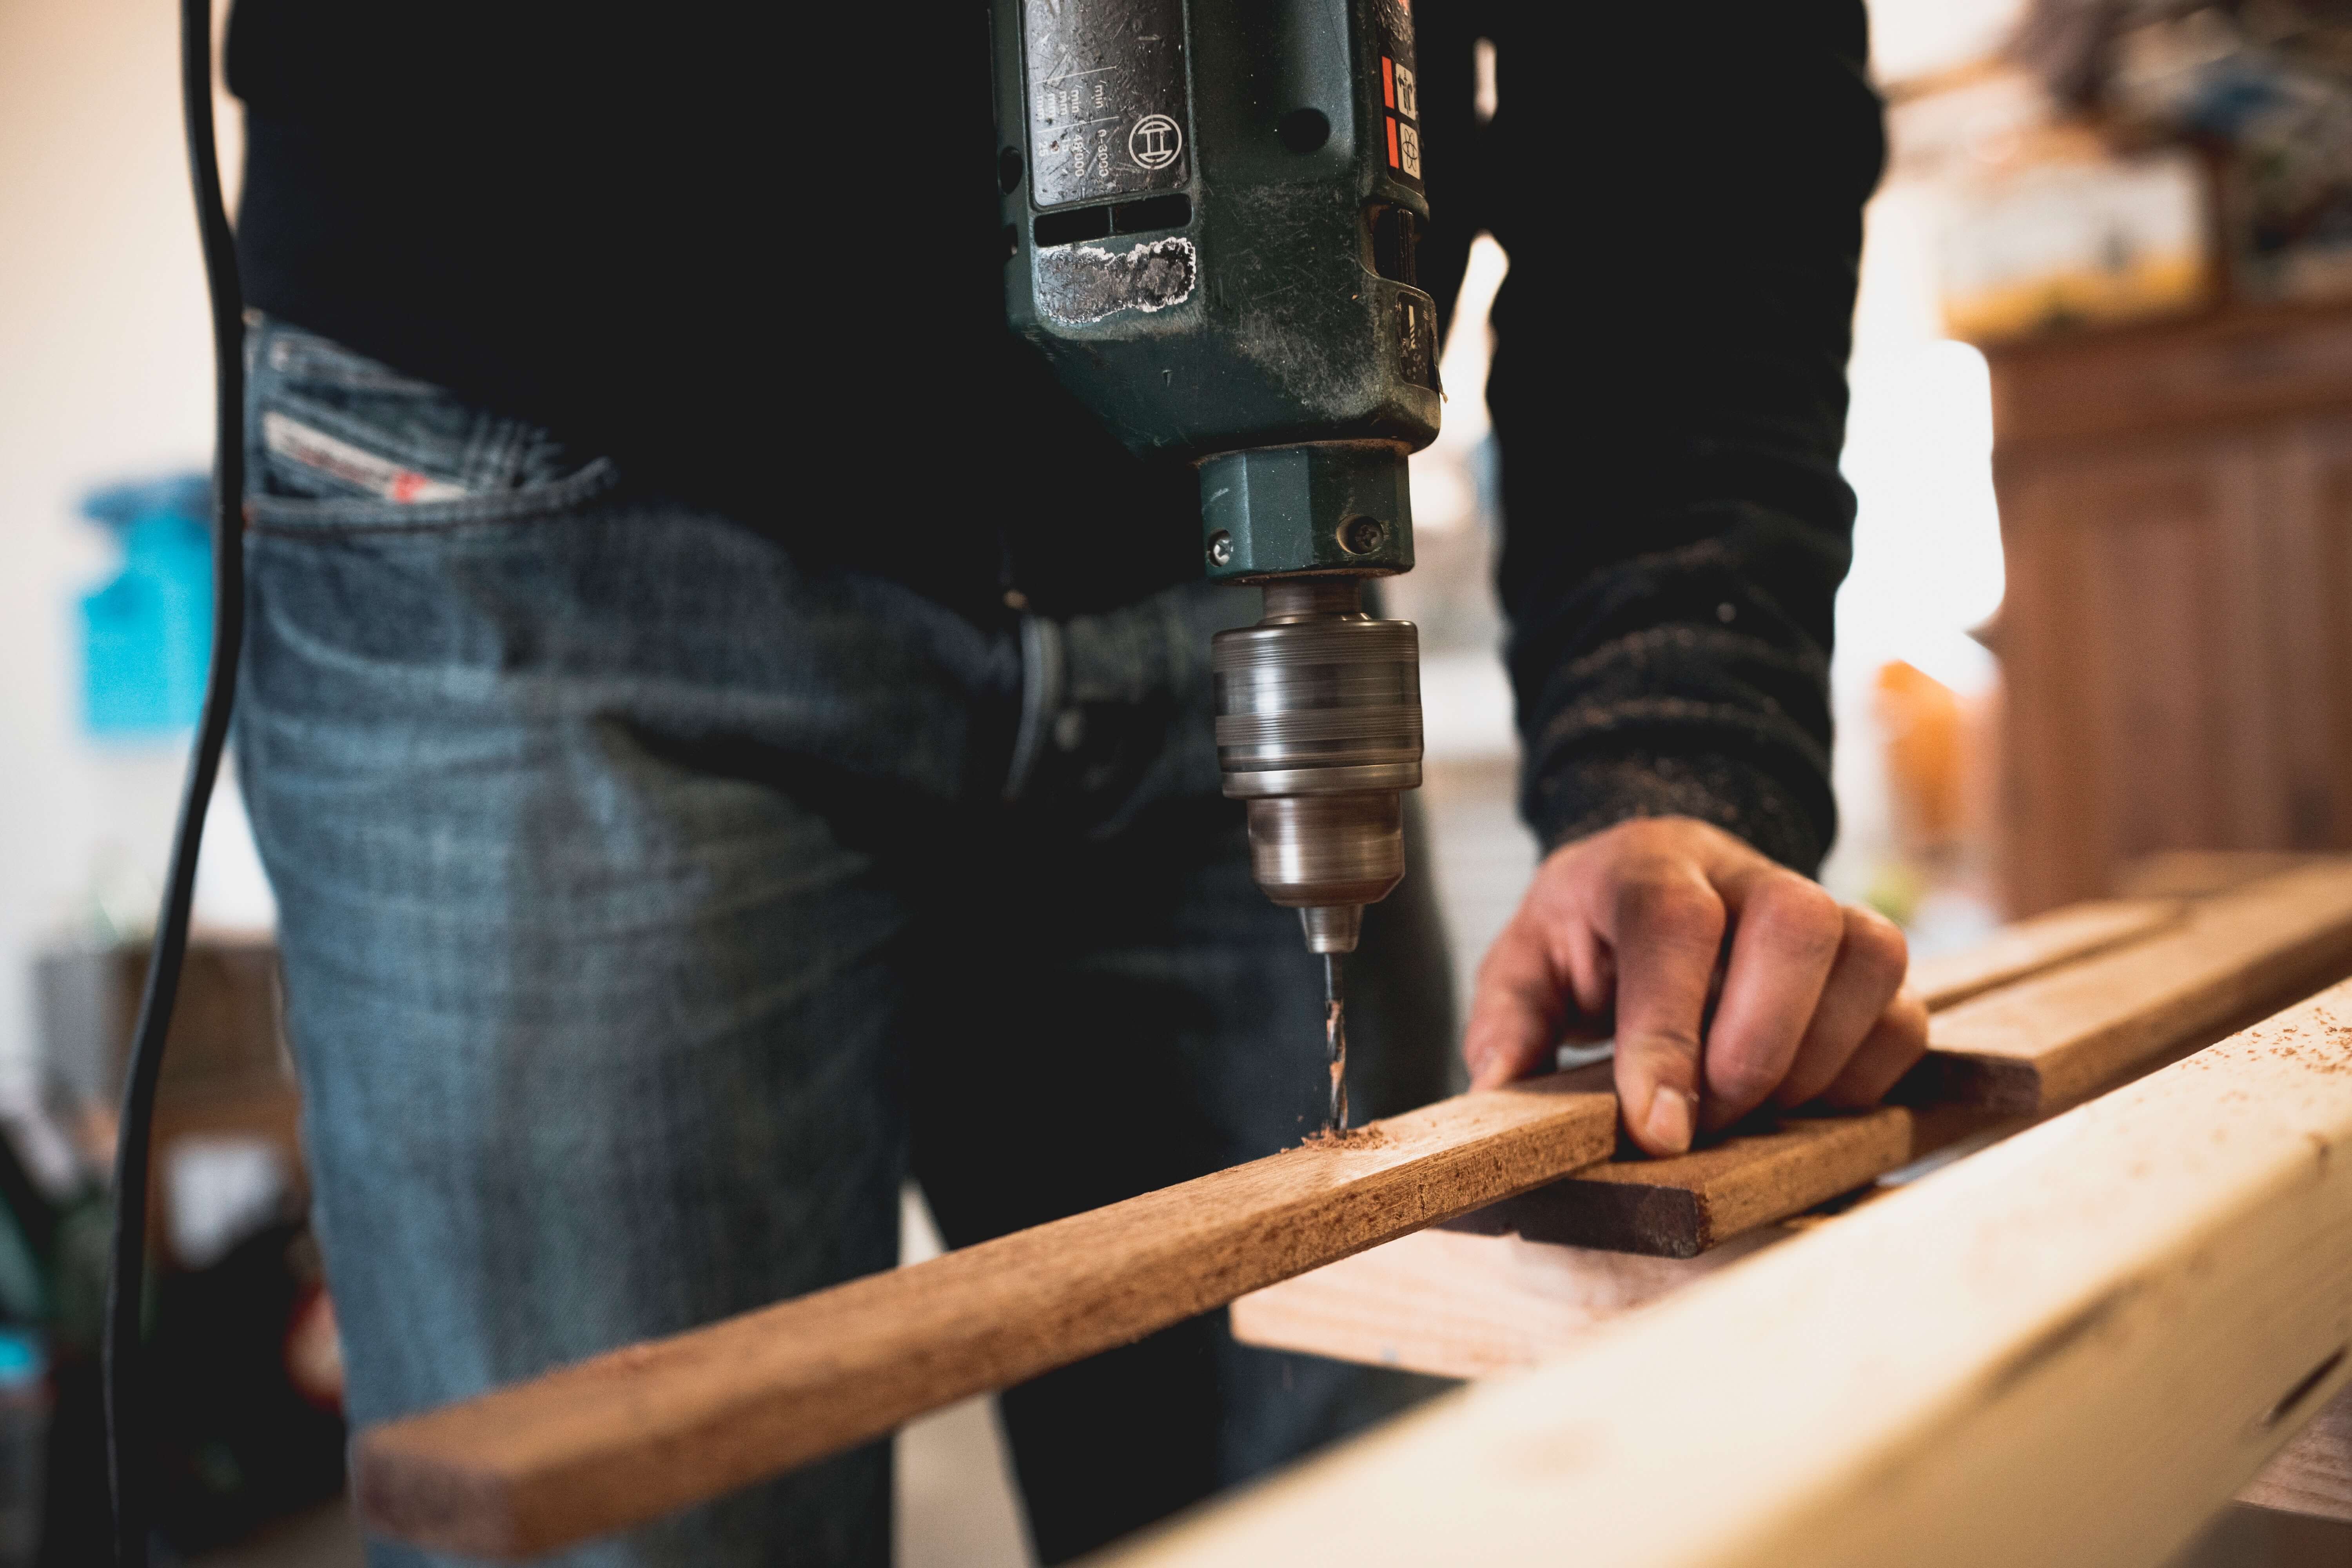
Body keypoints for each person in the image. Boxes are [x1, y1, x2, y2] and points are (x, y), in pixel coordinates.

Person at [220, 1, 1921, 1562]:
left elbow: (1711, 83)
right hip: (534, 453)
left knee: (1370, 1510)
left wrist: (1673, 736)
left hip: (1196, 528)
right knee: (634, 1506)